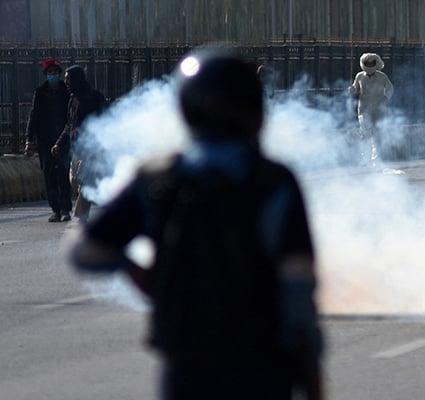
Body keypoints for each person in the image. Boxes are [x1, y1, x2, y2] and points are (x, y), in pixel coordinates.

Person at [69, 48, 323, 400]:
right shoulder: (273, 180)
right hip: (261, 365)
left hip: (186, 366)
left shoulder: (158, 179)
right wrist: (311, 371)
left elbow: (86, 252)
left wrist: (138, 272)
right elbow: (298, 287)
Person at [51, 65, 106, 222]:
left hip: (91, 149)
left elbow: (103, 120)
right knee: (75, 180)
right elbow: (70, 124)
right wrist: (59, 143)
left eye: (69, 79)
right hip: (77, 148)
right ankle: (98, 197)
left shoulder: (94, 97)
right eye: (66, 79)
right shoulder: (72, 99)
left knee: (85, 182)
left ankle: (81, 217)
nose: (66, 82)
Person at [24, 58, 71, 222]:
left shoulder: (66, 91)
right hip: (45, 140)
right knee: (48, 174)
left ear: (59, 74)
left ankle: (65, 208)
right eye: (50, 73)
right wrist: (29, 139)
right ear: (46, 75)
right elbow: (33, 116)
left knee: (63, 172)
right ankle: (55, 209)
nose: (53, 75)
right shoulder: (40, 92)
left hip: (63, 138)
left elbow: (70, 117)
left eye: (55, 73)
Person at [348, 52, 394, 164]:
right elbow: (356, 88)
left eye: (371, 63)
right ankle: (366, 159)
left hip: (379, 110)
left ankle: (377, 159)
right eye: (367, 64)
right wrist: (352, 90)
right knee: (364, 134)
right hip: (364, 110)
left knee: (378, 136)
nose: (369, 66)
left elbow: (390, 88)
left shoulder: (382, 77)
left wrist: (386, 97)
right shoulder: (359, 76)